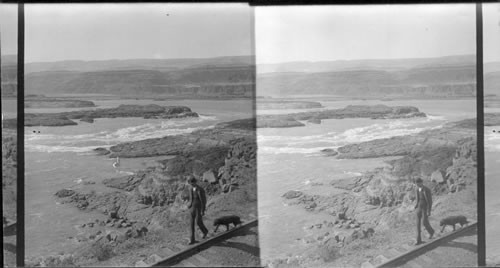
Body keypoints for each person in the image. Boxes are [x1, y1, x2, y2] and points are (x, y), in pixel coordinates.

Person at [187, 175, 208, 244]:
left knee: (198, 222)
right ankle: (192, 239)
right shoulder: (190, 188)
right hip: (191, 208)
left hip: (198, 209)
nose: (192, 184)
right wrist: (188, 204)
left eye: (193, 183)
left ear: (196, 182)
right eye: (191, 183)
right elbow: (190, 198)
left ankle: (205, 231)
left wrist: (203, 210)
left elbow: (203, 201)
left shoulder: (200, 190)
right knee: (191, 224)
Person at [414, 177, 435, 245]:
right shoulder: (417, 188)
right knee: (417, 224)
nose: (417, 185)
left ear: (421, 182)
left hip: (425, 208)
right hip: (419, 208)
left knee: (424, 223)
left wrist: (429, 211)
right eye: (416, 183)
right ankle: (418, 240)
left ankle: (431, 232)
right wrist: (416, 205)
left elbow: (430, 201)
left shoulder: (427, 190)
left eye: (418, 183)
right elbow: (417, 198)